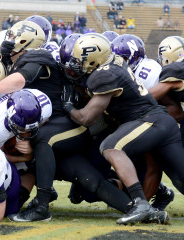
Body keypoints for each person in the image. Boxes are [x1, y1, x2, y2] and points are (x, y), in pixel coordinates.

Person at [61, 33, 184, 225]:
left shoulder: (103, 76)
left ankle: (140, 204)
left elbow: (86, 118)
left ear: (94, 60)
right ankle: (145, 204)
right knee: (181, 179)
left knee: (110, 147)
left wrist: (68, 107)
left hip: (148, 120)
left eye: (80, 60)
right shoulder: (113, 61)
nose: (76, 63)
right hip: (162, 123)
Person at [0, 20, 92, 221]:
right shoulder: (13, 53)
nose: (10, 41)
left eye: (14, 38)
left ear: (25, 40)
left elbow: (21, 79)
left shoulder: (37, 58)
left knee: (27, 151)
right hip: (27, 125)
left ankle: (39, 200)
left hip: (41, 123)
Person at [111, 34, 175, 210]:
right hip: (138, 124)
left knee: (155, 165)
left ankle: (143, 206)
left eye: (123, 58)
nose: (119, 63)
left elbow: (170, 106)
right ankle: (156, 194)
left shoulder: (149, 70)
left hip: (155, 124)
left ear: (134, 56)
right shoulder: (124, 72)